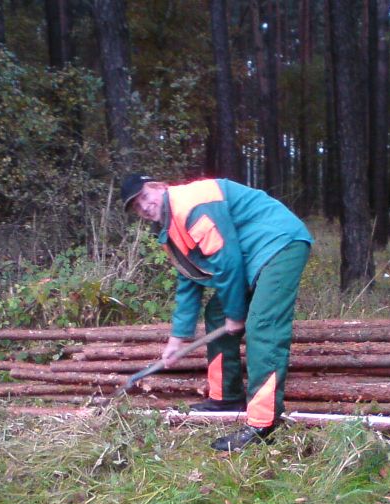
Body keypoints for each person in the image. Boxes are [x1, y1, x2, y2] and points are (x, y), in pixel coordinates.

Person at [121, 172, 313, 451]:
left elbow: (228, 261)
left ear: (160, 187)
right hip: (250, 253)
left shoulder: (191, 206)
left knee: (262, 325)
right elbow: (189, 280)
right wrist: (177, 339)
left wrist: (236, 315)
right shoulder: (171, 229)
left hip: (280, 242)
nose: (144, 207)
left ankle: (263, 424)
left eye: (144, 197)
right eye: (137, 206)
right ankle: (227, 397)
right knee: (216, 314)